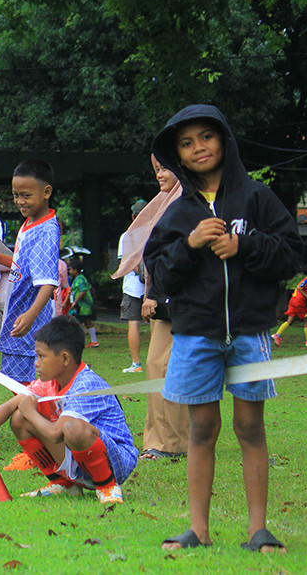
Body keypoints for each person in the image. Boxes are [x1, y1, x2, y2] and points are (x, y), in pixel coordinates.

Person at [145, 104, 301, 552]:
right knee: (202, 428)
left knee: (250, 426)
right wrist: (192, 245)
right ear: (176, 154)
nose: (198, 148)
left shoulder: (257, 198)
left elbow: (289, 253)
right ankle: (198, 529)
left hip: (251, 332)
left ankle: (259, 530)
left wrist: (244, 245)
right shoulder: (177, 213)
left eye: (206, 138)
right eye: (187, 143)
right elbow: (161, 274)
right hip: (195, 335)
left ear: (224, 141)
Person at [0, 316, 137, 504]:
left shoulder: (87, 385)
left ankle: (107, 486)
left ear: (65, 358)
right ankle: (63, 483)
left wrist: (31, 411)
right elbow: (9, 406)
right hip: (81, 457)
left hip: (116, 461)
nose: (36, 363)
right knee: (18, 419)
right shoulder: (50, 382)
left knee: (71, 427)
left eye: (41, 356)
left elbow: (57, 434)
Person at [122, 155, 188, 461]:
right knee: (160, 366)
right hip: (167, 303)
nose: (160, 174)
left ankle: (168, 443)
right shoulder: (166, 203)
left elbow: (175, 256)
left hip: (183, 303)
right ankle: (163, 440)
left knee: (164, 367)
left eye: (165, 167)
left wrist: (156, 295)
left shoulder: (187, 204)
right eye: (157, 169)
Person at [0, 158, 59, 384]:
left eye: (26, 195)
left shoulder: (46, 231)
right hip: (16, 322)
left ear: (46, 192)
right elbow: (23, 265)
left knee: (29, 394)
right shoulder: (29, 223)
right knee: (18, 390)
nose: (19, 201)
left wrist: (31, 315)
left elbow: (48, 283)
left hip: (29, 330)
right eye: (15, 195)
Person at [118, 200, 148, 372]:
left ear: (133, 216)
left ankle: (136, 364)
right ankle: (158, 363)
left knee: (134, 324)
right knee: (158, 325)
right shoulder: (155, 232)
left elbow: (126, 262)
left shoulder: (127, 235)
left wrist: (140, 275)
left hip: (133, 288)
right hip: (154, 287)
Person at [273, 263, 307, 347]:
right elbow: (299, 287)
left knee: (290, 320)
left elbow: (302, 289)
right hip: (299, 302)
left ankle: (277, 335)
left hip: (293, 300)